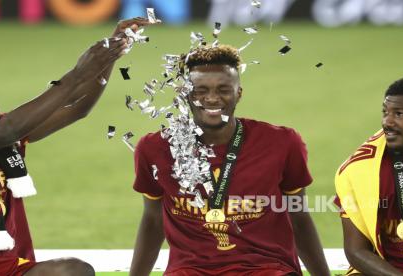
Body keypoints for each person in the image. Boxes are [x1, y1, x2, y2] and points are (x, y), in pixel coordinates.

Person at [0, 17, 150, 276]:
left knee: (74, 271)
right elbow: (9, 130)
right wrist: (77, 74)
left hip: (10, 269)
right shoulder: (2, 132)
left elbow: (77, 107)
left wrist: (107, 57)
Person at [130, 44, 330, 275]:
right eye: (200, 90)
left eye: (223, 89)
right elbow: (153, 219)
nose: (212, 98)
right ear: (186, 93)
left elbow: (299, 215)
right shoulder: (156, 148)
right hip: (190, 271)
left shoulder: (282, 143)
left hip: (265, 269)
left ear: (239, 93)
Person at [335, 75, 403, 275]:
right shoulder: (360, 169)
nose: (387, 122)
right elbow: (356, 250)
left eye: (399, 114)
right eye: (385, 112)